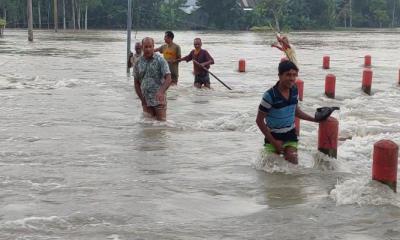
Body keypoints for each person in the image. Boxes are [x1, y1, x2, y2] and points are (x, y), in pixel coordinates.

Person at [255, 60, 317, 164]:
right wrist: (274, 143)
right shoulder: (269, 96)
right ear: (279, 75)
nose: (292, 78)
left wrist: (315, 120)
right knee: (270, 169)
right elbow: (259, 121)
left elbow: (296, 111)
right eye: (288, 75)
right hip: (273, 136)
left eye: (294, 75)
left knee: (293, 163)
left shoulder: (294, 90)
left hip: (290, 135)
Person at [134, 37, 172, 121]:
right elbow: (136, 83)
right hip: (146, 100)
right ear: (142, 47)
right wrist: (142, 99)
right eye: (146, 47)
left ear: (153, 47)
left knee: (161, 125)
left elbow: (168, 78)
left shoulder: (160, 60)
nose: (148, 49)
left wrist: (161, 92)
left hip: (159, 100)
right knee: (148, 126)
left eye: (150, 47)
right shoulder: (138, 62)